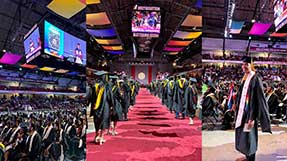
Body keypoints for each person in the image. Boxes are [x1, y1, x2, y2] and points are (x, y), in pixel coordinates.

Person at [233, 56, 271, 161]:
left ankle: (251, 159)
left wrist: (252, 117)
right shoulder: (244, 77)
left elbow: (258, 99)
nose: (244, 66)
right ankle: (247, 156)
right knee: (243, 136)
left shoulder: (255, 78)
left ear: (251, 65)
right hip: (242, 113)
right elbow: (241, 94)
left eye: (247, 64)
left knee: (249, 138)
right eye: (243, 64)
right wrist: (235, 103)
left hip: (250, 115)